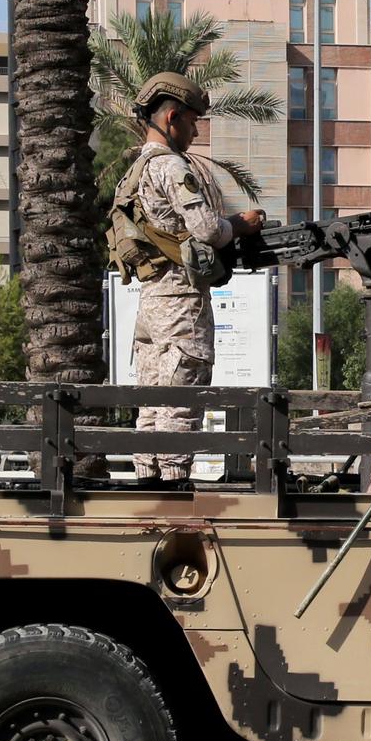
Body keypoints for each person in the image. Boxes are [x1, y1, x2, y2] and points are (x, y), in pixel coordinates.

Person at [111, 72, 265, 487]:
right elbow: (207, 231)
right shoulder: (171, 167)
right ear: (172, 117)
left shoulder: (136, 169)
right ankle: (175, 483)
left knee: (152, 395)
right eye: (194, 122)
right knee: (183, 388)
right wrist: (241, 223)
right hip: (181, 297)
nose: (197, 131)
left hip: (152, 297)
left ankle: (148, 478)